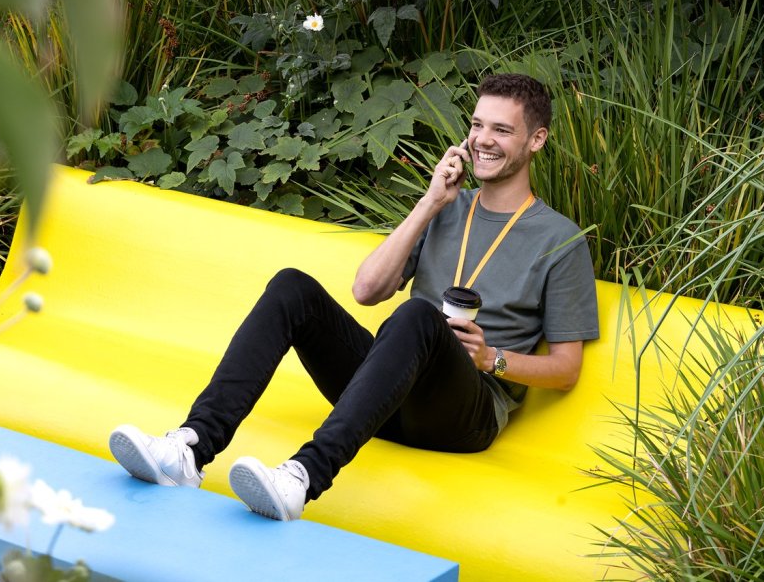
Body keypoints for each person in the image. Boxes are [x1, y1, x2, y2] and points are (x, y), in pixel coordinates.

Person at [109, 73, 600, 521]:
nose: (483, 140)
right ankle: (191, 449)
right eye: (476, 125)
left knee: (416, 317)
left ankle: (302, 478)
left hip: (461, 415)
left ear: (536, 139)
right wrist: (430, 203)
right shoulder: (446, 206)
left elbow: (566, 369)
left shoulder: (560, 240)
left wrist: (490, 358)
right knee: (292, 287)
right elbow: (367, 291)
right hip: (386, 397)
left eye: (502, 130)